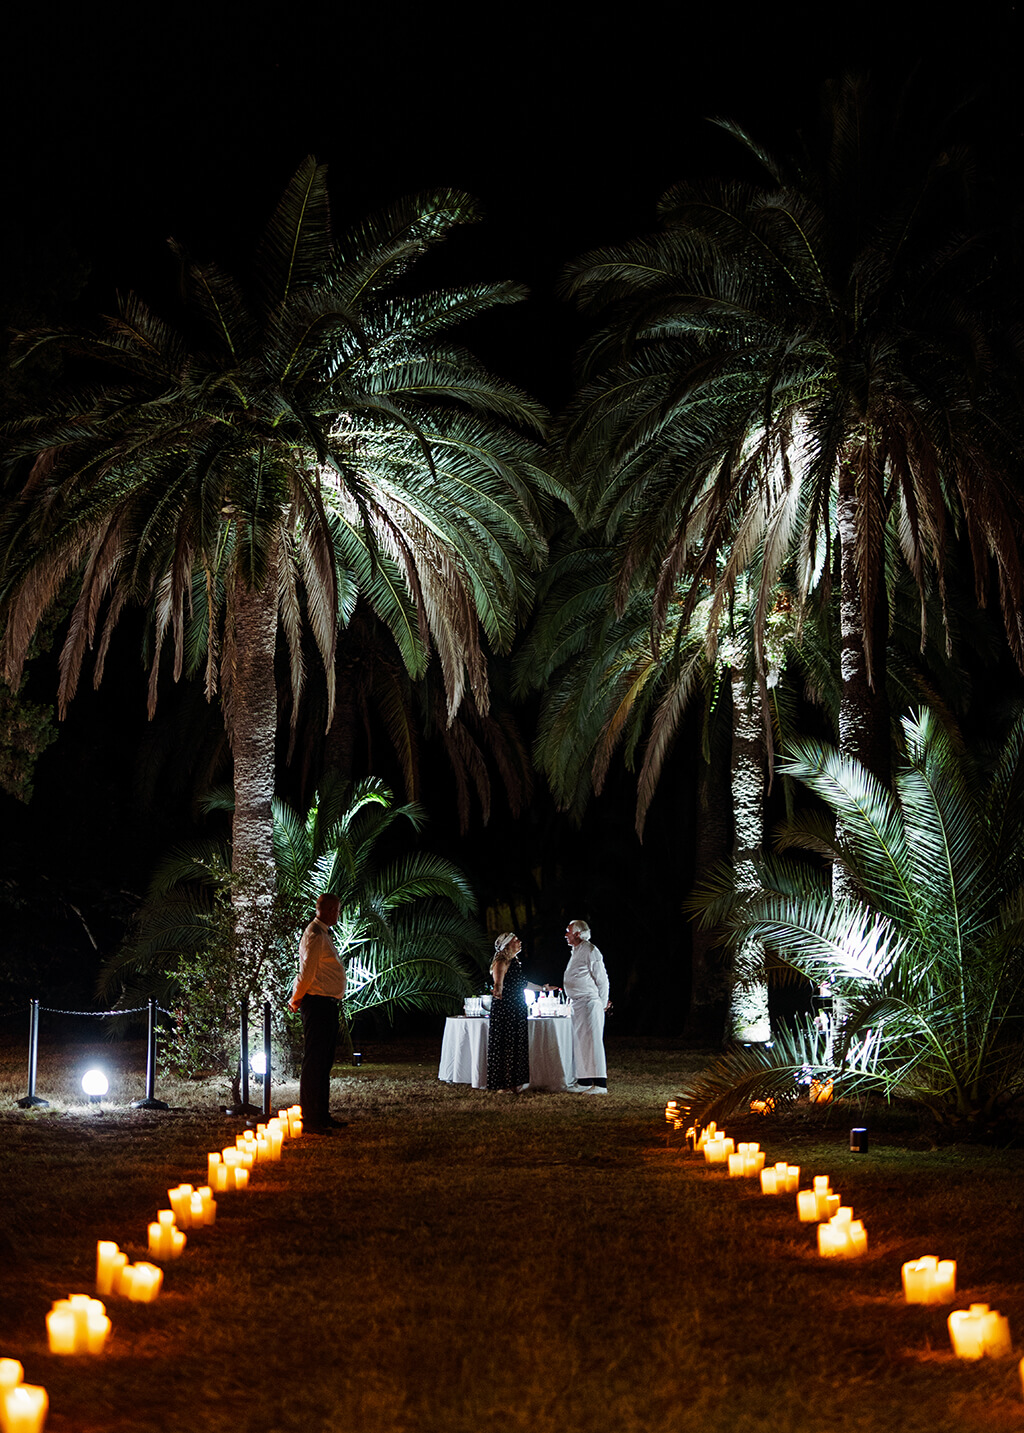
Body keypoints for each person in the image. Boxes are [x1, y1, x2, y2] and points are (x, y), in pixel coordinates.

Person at [288, 892, 347, 1132]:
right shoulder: (315, 934)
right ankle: (311, 1117)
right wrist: (296, 998)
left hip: (326, 1003)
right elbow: (307, 972)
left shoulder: (322, 933)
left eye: (337, 910)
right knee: (315, 1061)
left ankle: (321, 1114)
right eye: (333, 909)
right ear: (323, 909)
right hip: (318, 1003)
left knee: (324, 1062)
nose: (336, 914)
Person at [563, 919, 611, 1092]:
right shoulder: (575, 950)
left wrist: (603, 1004)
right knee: (580, 1042)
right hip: (577, 1003)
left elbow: (602, 980)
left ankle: (600, 1084)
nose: (565, 934)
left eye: (568, 931)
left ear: (577, 933)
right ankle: (583, 1081)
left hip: (590, 1003)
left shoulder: (591, 950)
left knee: (593, 1041)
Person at [486, 932, 531, 1092]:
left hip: (517, 1008)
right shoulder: (501, 962)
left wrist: (544, 988)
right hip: (506, 1008)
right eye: (515, 940)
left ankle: (514, 1082)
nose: (519, 942)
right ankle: (502, 1084)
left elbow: (522, 984)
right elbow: (498, 984)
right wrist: (497, 990)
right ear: (506, 945)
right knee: (505, 1044)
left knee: (516, 1045)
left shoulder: (515, 962)